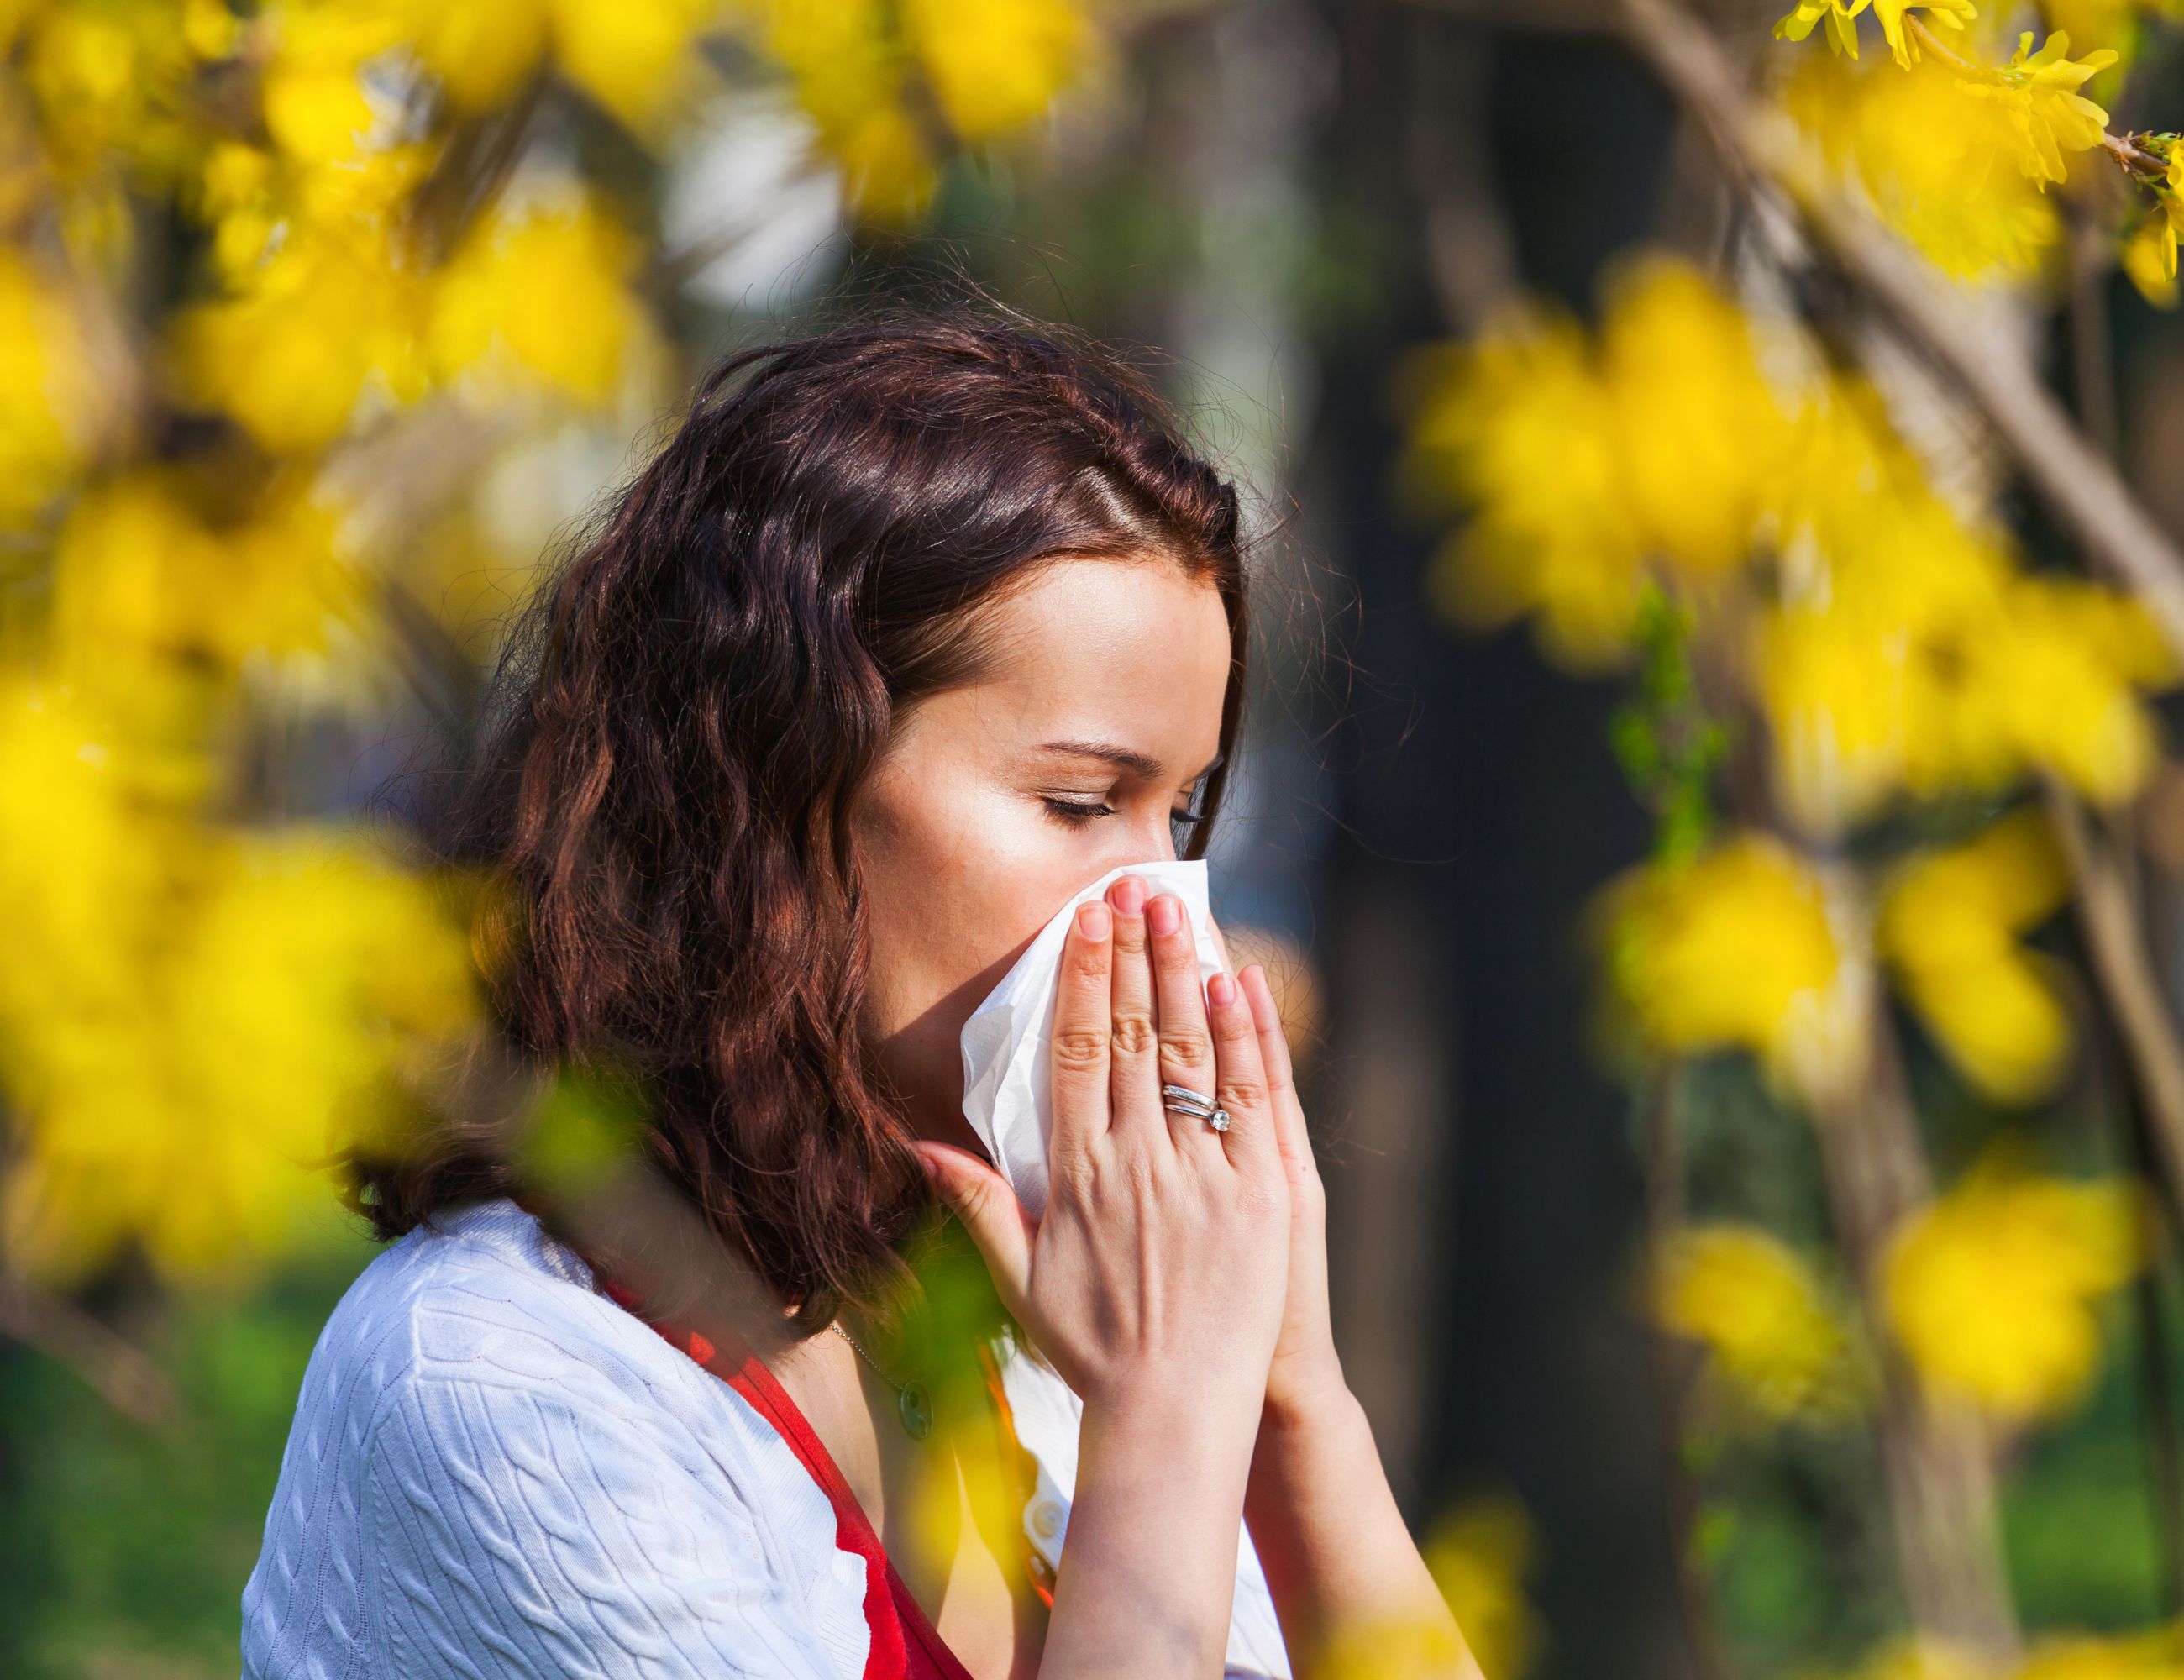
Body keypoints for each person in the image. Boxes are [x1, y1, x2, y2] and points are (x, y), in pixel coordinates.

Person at [239, 307, 1470, 1680]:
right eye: (1079, 801)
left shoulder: (1035, 1328)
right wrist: (1171, 1419)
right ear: (772, 784)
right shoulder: (503, 1385)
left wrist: (1291, 1399)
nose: (1162, 919)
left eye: (1177, 820)